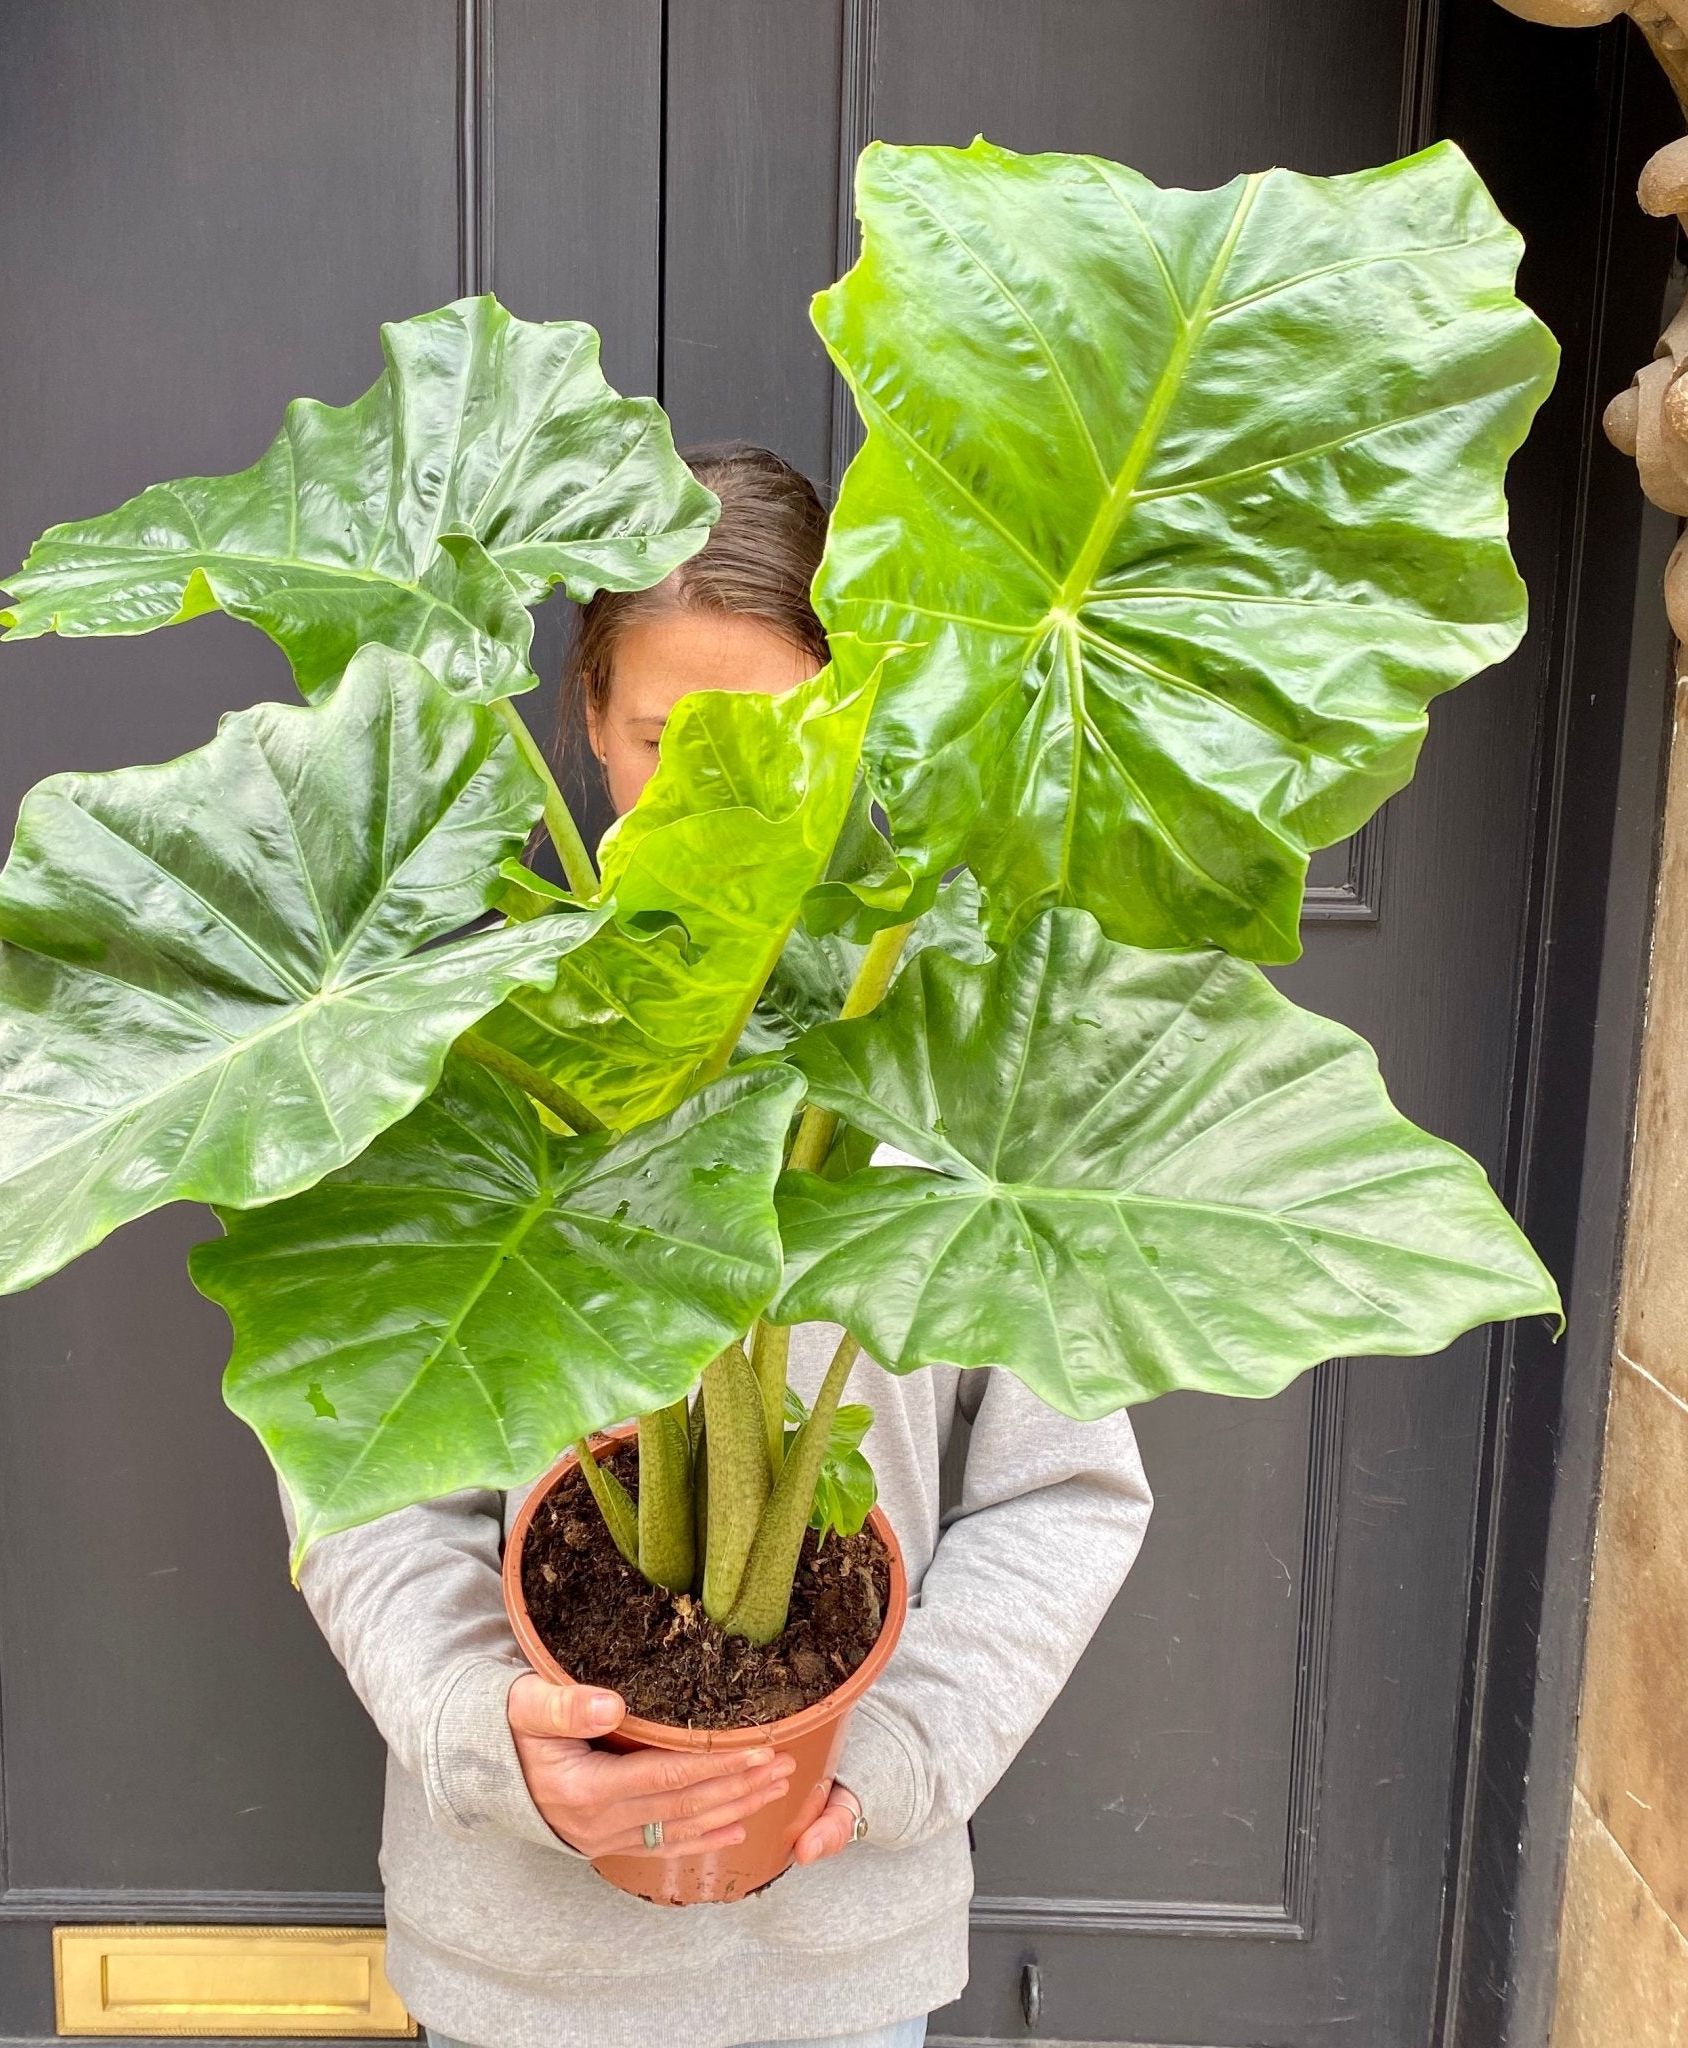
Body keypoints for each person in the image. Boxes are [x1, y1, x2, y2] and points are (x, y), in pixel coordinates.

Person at [289, 444, 1155, 2048]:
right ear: (587, 720)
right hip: (521, 1968)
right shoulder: (477, 1057)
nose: (718, 799)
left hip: (840, 1955)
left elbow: (1065, 1493)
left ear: (849, 724)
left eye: (773, 744)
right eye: (667, 744)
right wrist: (498, 1739)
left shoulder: (943, 1059)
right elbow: (362, 1487)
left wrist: (884, 1768)